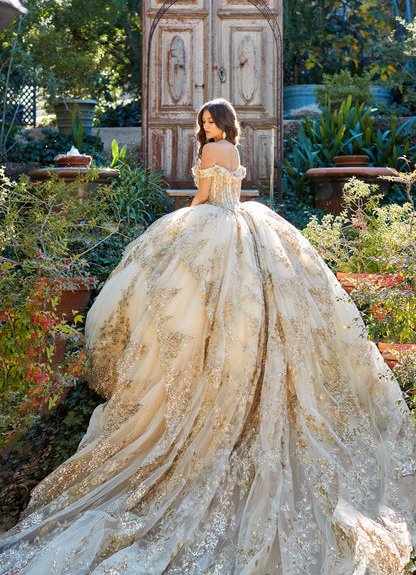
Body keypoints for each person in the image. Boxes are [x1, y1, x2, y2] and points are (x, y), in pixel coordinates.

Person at [1, 98, 415, 575]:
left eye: (210, 122)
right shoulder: (236, 152)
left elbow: (201, 197)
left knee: (178, 297)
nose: (207, 128)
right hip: (242, 223)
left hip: (211, 224)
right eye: (203, 123)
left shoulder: (211, 154)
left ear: (222, 124)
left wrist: (182, 218)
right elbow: (235, 197)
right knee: (247, 308)